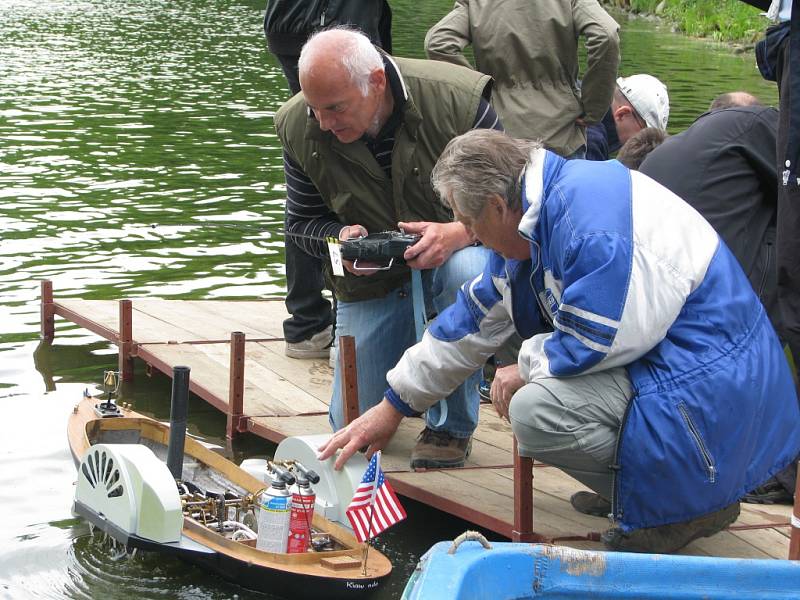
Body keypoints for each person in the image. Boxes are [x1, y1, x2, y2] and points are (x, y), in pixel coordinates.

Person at [319, 129, 800, 554]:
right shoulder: (538, 217)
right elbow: (468, 324)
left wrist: (523, 365)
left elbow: (593, 341)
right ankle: (644, 488)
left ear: (496, 206)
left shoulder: (590, 225)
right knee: (537, 393)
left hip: (717, 391)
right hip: (687, 377)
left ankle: (682, 507)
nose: (472, 235)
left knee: (536, 410)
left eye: (470, 221)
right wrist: (392, 405)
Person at [274, 28, 502, 469]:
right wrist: (340, 245)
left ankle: (451, 428)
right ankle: (409, 388)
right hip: (371, 282)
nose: (323, 123)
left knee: (467, 271)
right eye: (314, 108)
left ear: (376, 82)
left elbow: (518, 202)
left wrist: (456, 233)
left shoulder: (458, 101)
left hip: (454, 260)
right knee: (352, 424)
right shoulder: (296, 124)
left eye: (335, 108)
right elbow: (301, 224)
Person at [263, 0, 392, 359]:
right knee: (324, 164)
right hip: (333, 27)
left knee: (317, 163)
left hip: (293, 25)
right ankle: (313, 319)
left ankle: (307, 321)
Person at [424, 0, 619, 158]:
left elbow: (438, 43)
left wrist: (479, 94)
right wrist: (593, 108)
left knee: (501, 206)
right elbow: (606, 34)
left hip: (497, 135)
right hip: (561, 134)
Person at [585, 74, 669, 161]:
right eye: (645, 135)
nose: (648, 146)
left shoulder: (583, 95)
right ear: (622, 114)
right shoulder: (591, 142)